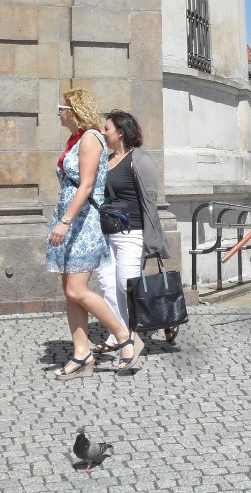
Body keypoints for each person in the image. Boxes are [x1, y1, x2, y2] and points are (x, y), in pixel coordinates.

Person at [48, 89, 143, 379]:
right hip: (70, 217)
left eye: (61, 107)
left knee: (78, 289)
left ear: (75, 109)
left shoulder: (90, 138)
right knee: (70, 292)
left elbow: (87, 185)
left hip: (81, 222)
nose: (58, 112)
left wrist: (65, 221)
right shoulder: (76, 139)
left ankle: (124, 337)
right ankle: (82, 352)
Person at [94, 110, 174, 354]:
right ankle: (117, 333)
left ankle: (143, 328)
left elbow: (150, 203)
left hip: (133, 233)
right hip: (109, 233)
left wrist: (153, 239)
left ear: (120, 132)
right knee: (108, 284)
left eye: (106, 128)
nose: (102, 132)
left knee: (126, 284)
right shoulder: (107, 160)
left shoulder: (139, 160)